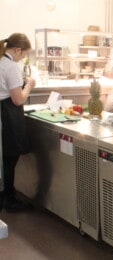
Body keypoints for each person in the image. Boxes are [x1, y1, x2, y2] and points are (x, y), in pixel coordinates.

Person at [0, 33, 36, 212]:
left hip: (2, 113)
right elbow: (18, 99)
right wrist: (29, 85)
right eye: (23, 55)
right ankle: (10, 200)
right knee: (10, 158)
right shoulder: (11, 66)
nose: (23, 58)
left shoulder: (1, 61)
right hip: (8, 115)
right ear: (17, 49)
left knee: (4, 159)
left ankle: (6, 195)